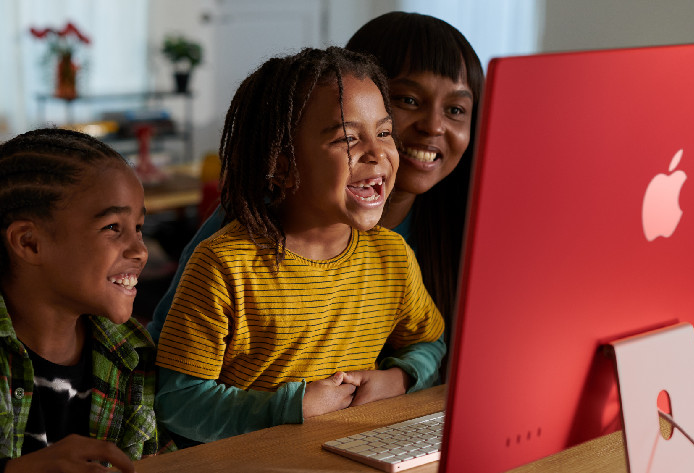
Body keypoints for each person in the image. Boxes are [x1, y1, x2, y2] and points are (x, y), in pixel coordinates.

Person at [154, 47, 446, 445]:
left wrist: (399, 378)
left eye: (384, 132)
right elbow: (177, 402)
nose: (377, 154)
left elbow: (429, 341)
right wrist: (289, 408)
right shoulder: (224, 265)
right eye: (347, 138)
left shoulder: (392, 258)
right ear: (282, 163)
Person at [145, 11, 484, 346]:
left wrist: (402, 374)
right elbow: (170, 350)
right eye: (408, 100)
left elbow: (432, 346)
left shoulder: (453, 227)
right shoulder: (251, 225)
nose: (434, 126)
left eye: (455, 110)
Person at [0, 128, 174, 472]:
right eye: (112, 227)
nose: (139, 250)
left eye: (138, 227)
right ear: (29, 242)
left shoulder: (131, 353)